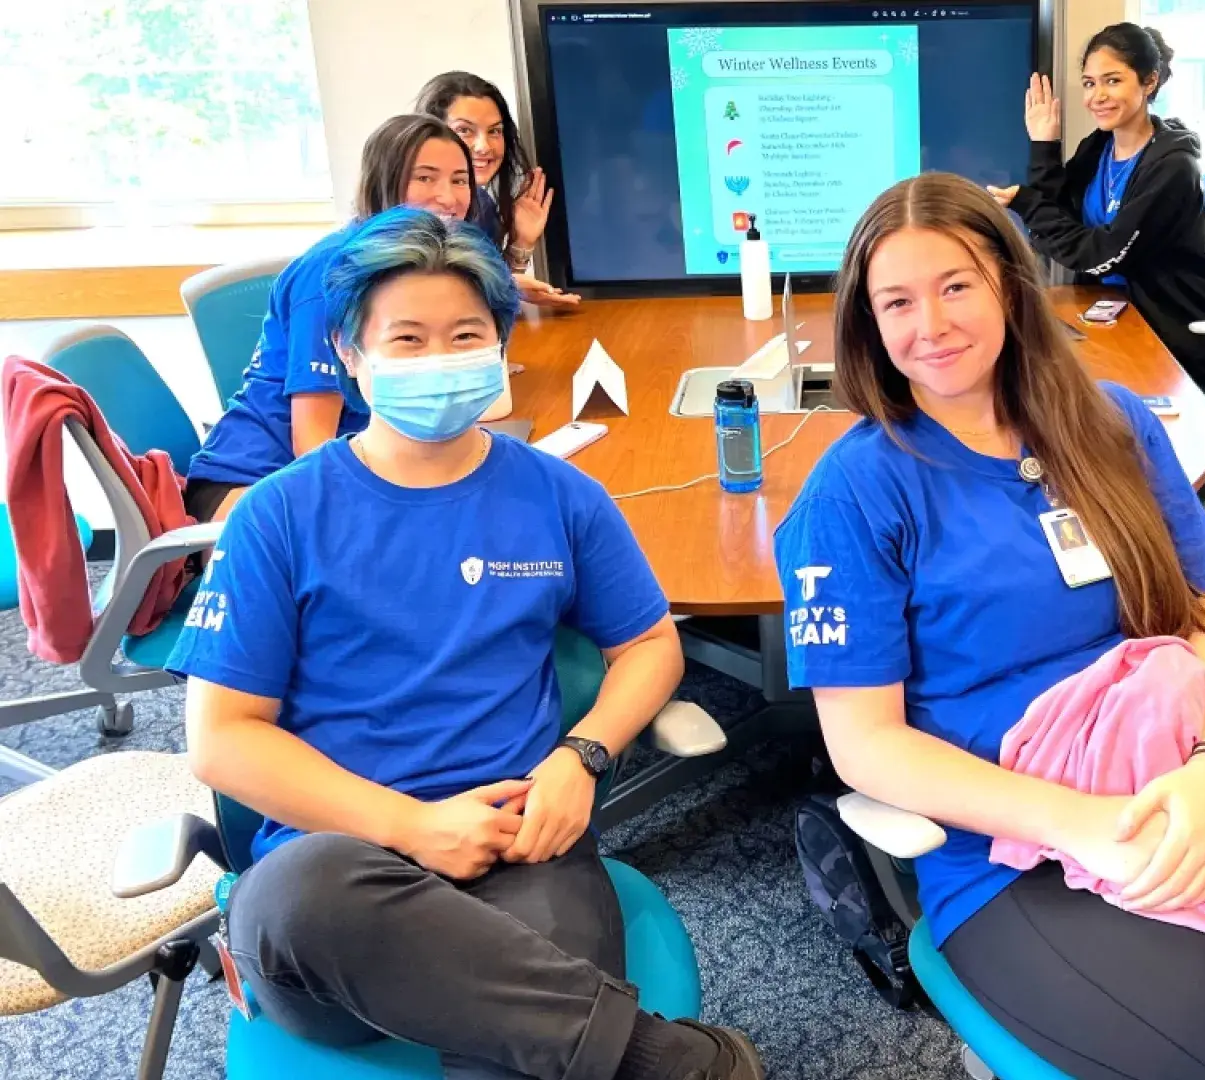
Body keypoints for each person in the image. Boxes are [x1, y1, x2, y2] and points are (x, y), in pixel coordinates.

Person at [776, 171, 1205, 1080]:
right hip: (1014, 847)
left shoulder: (1109, 423)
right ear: (868, 324)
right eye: (898, 301)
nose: (932, 324)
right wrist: (1079, 823)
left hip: (1177, 749)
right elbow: (865, 746)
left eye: (956, 285)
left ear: (1005, 280)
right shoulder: (857, 491)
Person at [166, 207, 763, 1080]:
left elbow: (649, 647)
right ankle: (670, 1062)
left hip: (519, 841)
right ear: (354, 356)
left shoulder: (559, 496)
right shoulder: (277, 515)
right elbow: (221, 741)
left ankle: (635, 1057)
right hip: (338, 874)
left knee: (535, 1036)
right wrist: (411, 826)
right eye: (406, 338)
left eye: (464, 335)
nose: (439, 359)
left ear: (499, 343)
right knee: (299, 898)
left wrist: (581, 757)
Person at [182, 114, 475, 523]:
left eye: (460, 180)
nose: (448, 196)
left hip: (354, 459)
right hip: (255, 483)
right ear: (383, 180)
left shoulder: (407, 263)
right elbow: (312, 442)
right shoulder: (332, 274)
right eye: (425, 178)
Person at [986, 23, 1205, 394]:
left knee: (1060, 394)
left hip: (1180, 336)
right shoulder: (1099, 146)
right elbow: (1057, 220)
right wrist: (1044, 144)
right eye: (1090, 83)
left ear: (1149, 81)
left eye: (1112, 80)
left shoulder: (1173, 168)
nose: (1097, 96)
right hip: (1121, 319)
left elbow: (1102, 254)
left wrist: (1027, 204)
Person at [415, 71, 579, 309]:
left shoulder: (482, 205)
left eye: (494, 131)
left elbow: (483, 300)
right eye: (465, 130)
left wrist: (520, 245)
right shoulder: (409, 205)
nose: (484, 147)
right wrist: (506, 284)